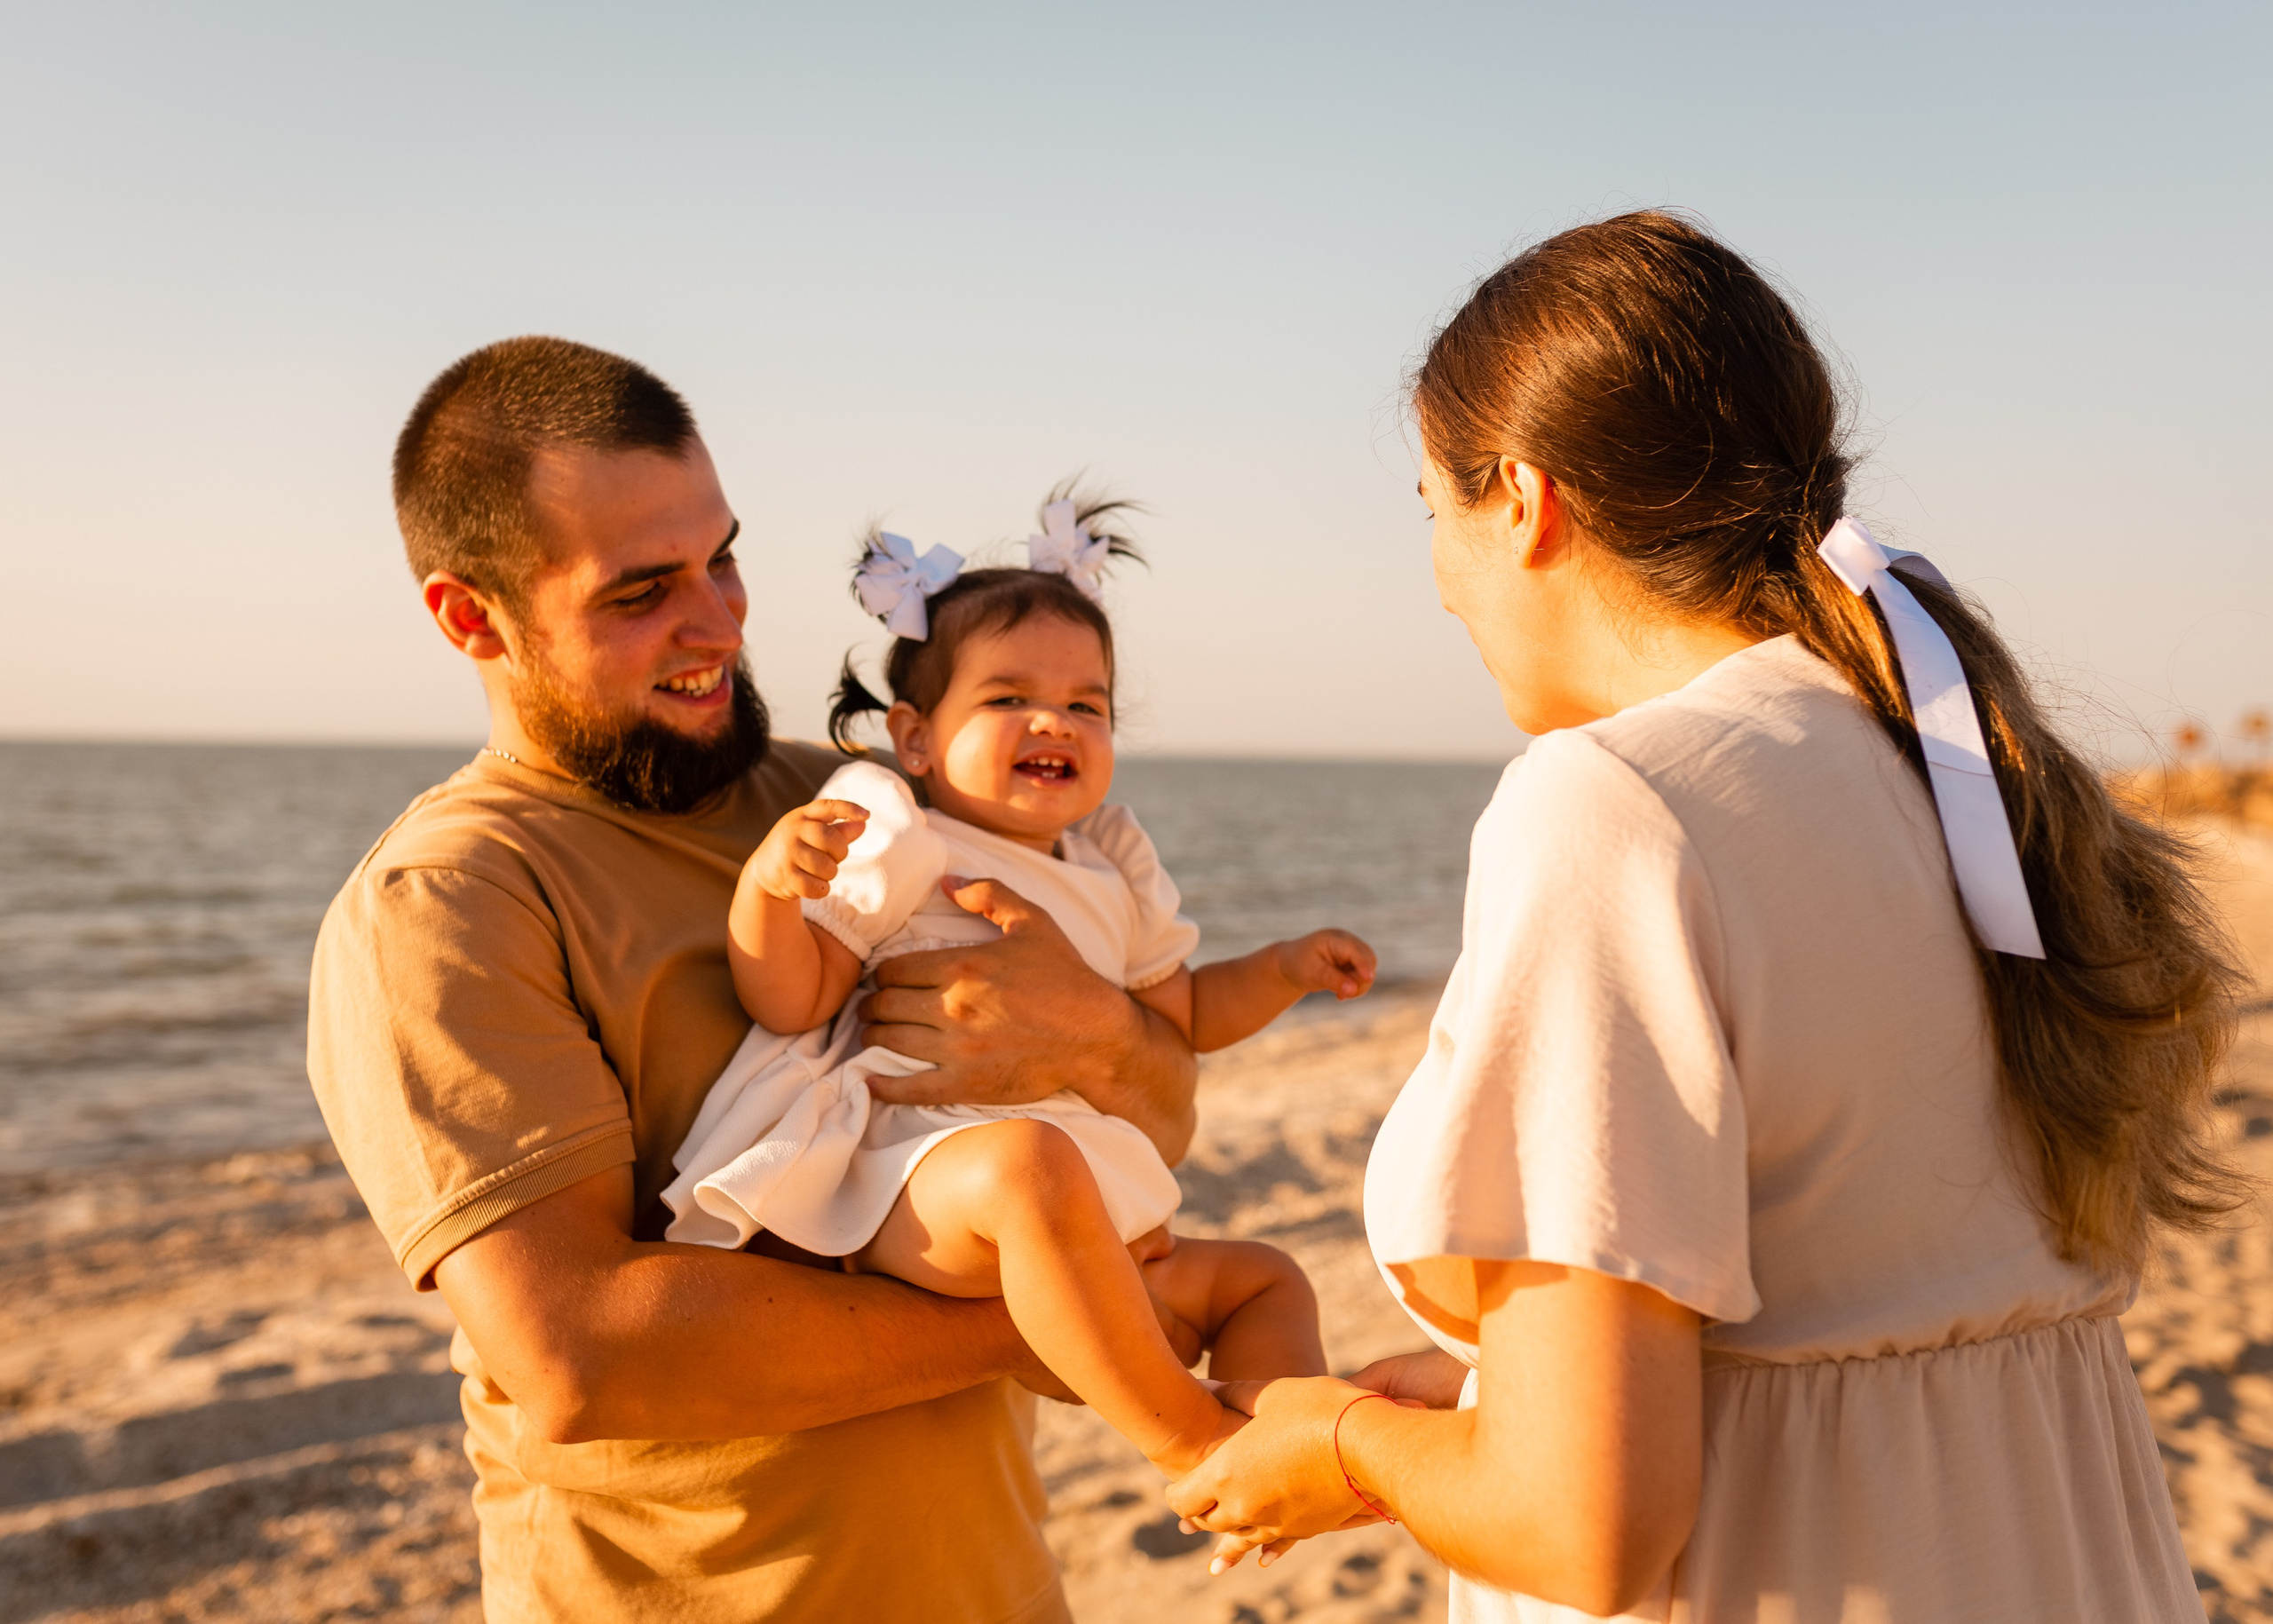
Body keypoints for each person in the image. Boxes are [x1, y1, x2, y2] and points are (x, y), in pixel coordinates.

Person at [1165, 211, 2244, 1621]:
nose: (1437, 577)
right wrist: (1500, 1396)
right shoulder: (1957, 775)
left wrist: (1348, 1447)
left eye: (1433, 508)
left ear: (1526, 501)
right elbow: (1859, 1288)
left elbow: (1586, 1533)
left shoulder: (1612, 807)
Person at [306, 337, 1206, 1623]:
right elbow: (577, 1355)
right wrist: (1053, 1318)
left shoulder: (877, 806)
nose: (719, 621)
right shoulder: (449, 901)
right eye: (641, 592)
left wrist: (1105, 1035)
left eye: (722, 557)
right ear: (472, 617)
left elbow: (1159, 1126)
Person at [662, 509, 1375, 1474]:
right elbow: (791, 1000)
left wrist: (1283, 968)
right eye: (1008, 698)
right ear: (914, 738)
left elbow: (1182, 1022)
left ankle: (1274, 1440)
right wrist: (770, 891)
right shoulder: (901, 838)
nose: (1055, 721)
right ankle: (1190, 1437)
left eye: (1088, 704)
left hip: (1081, 1198)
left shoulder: (1113, 866)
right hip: (925, 1179)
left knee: (1266, 1279)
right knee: (1030, 1167)